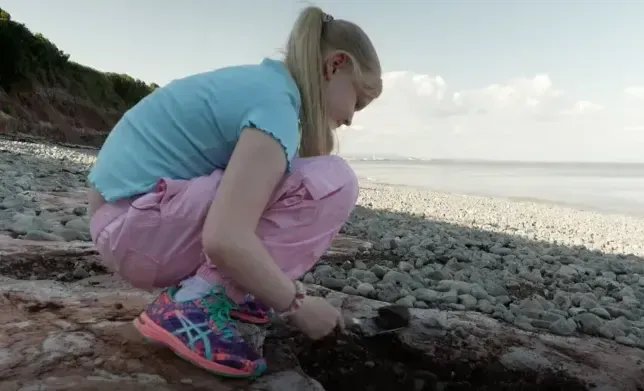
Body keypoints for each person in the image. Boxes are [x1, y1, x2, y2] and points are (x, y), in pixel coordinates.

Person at [87, 6, 382, 379]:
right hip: (134, 231)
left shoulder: (263, 88)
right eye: (359, 100)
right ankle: (195, 304)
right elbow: (225, 238)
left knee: (281, 181)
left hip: (128, 223)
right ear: (335, 65)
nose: (353, 117)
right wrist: (297, 304)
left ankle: (231, 292)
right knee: (335, 180)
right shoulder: (276, 106)